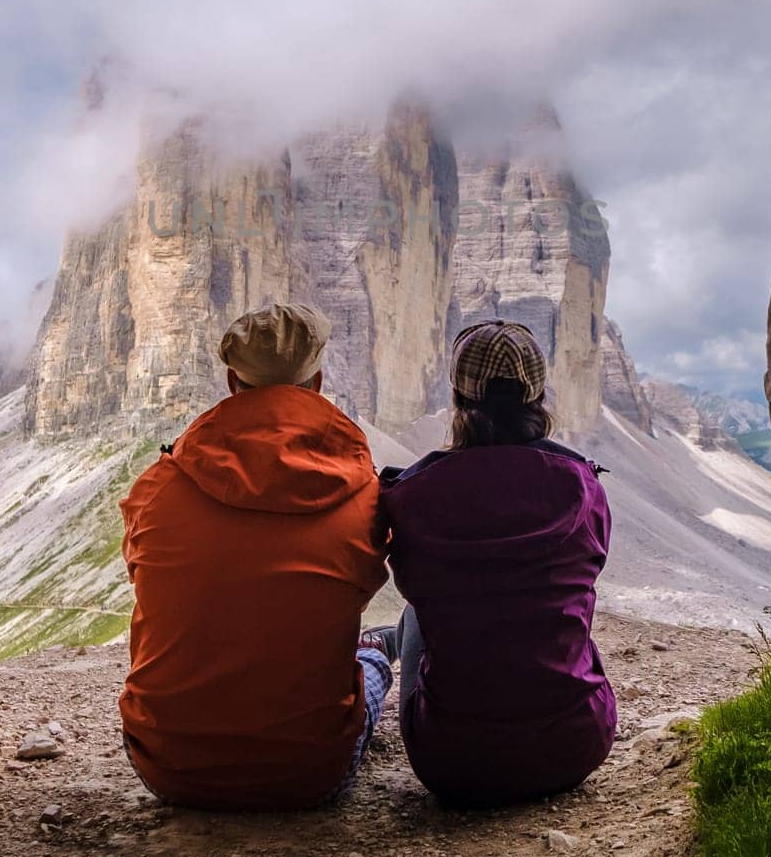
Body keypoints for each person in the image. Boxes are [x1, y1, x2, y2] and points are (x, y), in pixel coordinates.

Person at [119, 302, 392, 810]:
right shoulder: (366, 496)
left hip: (168, 766)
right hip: (309, 773)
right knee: (375, 657)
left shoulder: (158, 486)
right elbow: (365, 577)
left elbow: (142, 571)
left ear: (230, 380)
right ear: (316, 383)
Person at [379, 319, 617, 807]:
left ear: (458, 396)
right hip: (575, 746)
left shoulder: (412, 494)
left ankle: (381, 649)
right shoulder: (582, 486)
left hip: (452, 762)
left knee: (413, 616)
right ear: (537, 394)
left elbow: (401, 576)